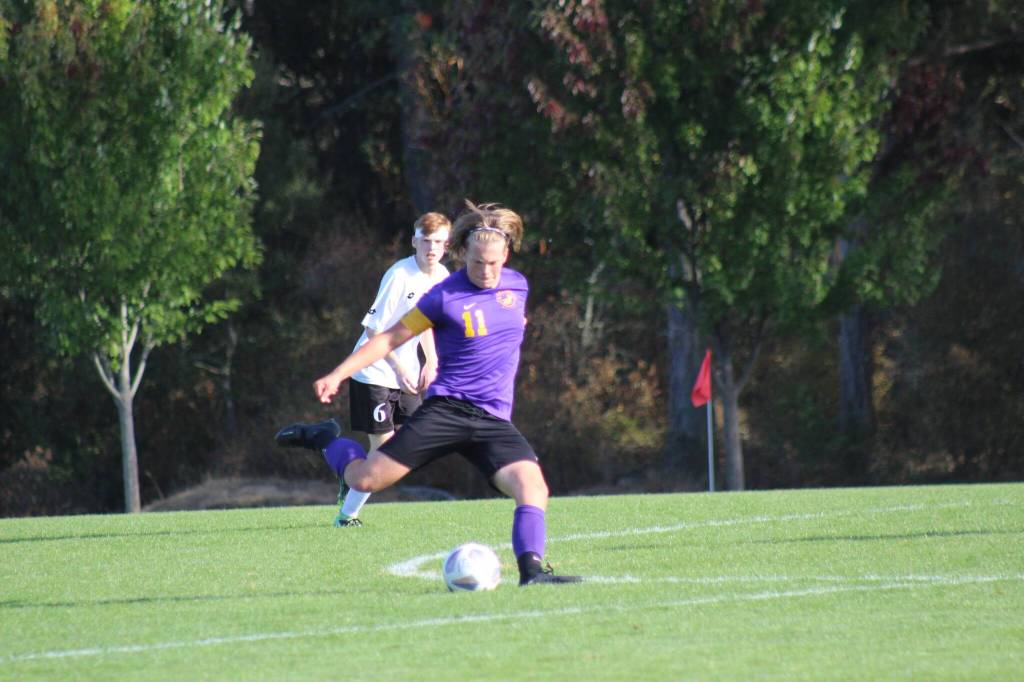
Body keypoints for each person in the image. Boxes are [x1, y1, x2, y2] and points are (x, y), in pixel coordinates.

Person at [309, 200, 581, 586]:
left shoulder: (518, 285)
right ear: (463, 254)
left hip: (492, 418)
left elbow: (505, 324)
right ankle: (327, 440)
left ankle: (532, 572)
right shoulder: (443, 297)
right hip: (447, 410)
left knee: (533, 486)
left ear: (505, 254)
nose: (485, 272)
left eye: (492, 263)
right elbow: (387, 339)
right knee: (366, 480)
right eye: (476, 263)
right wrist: (338, 374)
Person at [275, 212, 451, 527]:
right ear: (414, 241)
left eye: (439, 242)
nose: (432, 248)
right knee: (384, 454)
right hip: (375, 372)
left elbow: (424, 321)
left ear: (447, 245)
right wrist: (398, 368)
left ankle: (332, 446)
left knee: (405, 455)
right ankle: (345, 509)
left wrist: (431, 361)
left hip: (406, 375)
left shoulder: (441, 276)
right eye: (426, 241)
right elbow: (374, 330)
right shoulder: (399, 276)